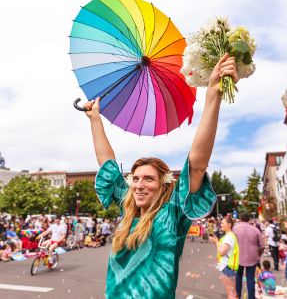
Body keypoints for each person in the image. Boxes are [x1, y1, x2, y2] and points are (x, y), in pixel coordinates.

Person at [84, 53, 239, 298]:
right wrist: (95, 119)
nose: (139, 185)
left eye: (148, 179)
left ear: (162, 185)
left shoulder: (172, 214)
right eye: (135, 178)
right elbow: (107, 164)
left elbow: (197, 165)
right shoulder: (127, 211)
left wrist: (213, 95)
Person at [233, 212, 264, 299]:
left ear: (240, 219)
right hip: (252, 258)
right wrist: (258, 255)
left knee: (238, 278)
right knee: (250, 279)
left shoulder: (235, 228)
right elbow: (262, 246)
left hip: (238, 258)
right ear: (249, 219)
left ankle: (237, 296)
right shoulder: (255, 230)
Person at [210, 216, 239, 299]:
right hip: (228, 267)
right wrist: (217, 241)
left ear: (229, 225)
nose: (221, 224)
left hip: (228, 267)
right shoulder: (229, 236)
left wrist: (216, 242)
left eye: (223, 223)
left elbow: (222, 252)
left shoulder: (229, 237)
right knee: (231, 292)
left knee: (231, 294)